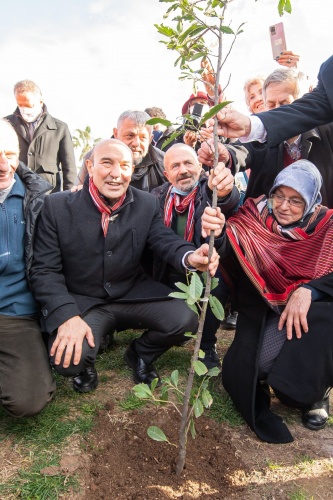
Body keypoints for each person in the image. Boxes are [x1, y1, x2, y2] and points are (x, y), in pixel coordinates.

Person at [30, 139, 219, 394]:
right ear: (90, 165)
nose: (116, 174)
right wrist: (67, 316)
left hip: (132, 294)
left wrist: (190, 256)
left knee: (186, 319)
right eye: (106, 163)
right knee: (68, 361)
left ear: (132, 170)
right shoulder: (57, 206)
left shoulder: (146, 203)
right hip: (84, 302)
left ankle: (140, 353)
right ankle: (86, 362)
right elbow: (44, 270)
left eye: (124, 166)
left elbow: (164, 240)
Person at [202, 160, 333, 443]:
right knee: (254, 369)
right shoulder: (255, 215)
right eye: (279, 196)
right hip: (266, 308)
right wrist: (218, 233)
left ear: (311, 201)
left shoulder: (327, 226)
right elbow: (230, 241)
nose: (284, 206)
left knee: (327, 322)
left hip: (314, 312)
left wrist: (310, 290)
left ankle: (316, 394)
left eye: (296, 200)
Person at [152, 143, 239, 369]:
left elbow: (229, 199)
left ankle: (207, 346)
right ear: (166, 173)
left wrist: (225, 191)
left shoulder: (209, 191)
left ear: (200, 166)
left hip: (206, 265)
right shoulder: (157, 196)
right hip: (169, 267)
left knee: (215, 286)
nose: (183, 170)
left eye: (188, 163)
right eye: (176, 165)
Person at [200, 68, 333, 208]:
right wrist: (226, 155)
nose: (277, 110)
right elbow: (241, 151)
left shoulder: (327, 132)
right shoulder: (258, 138)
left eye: (284, 104)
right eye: (271, 105)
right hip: (270, 227)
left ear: (303, 103)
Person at [0, 119, 56, 417]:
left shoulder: (40, 200)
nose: (3, 164)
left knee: (28, 400)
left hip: (14, 315)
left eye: (9, 154)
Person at [211, 55, 333, 146]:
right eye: (251, 96)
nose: (258, 99)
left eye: (284, 103)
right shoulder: (328, 71)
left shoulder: (324, 133)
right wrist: (248, 125)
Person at [4, 80, 76, 193]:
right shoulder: (6, 125)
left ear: (40, 102)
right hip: (15, 192)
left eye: (28, 105)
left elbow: (69, 169)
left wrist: (70, 197)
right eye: (20, 105)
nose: (24, 109)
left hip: (48, 194)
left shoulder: (60, 128)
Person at [76, 110, 166, 192]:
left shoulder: (164, 162)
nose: (136, 143)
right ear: (116, 133)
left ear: (150, 139)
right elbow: (79, 192)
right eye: (130, 135)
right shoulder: (94, 158)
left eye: (143, 138)